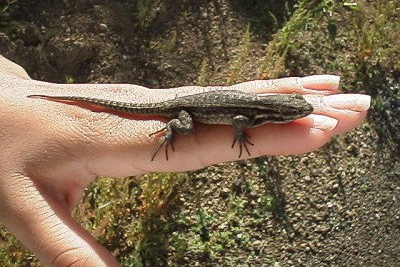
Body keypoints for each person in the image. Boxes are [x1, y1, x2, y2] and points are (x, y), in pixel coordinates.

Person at [0, 55, 370, 266]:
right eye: (294, 113)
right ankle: (172, 131)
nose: (298, 113)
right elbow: (240, 121)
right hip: (185, 111)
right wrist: (192, 129)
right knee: (184, 129)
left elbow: (244, 116)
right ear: (280, 114)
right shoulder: (256, 116)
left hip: (204, 100)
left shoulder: (263, 111)